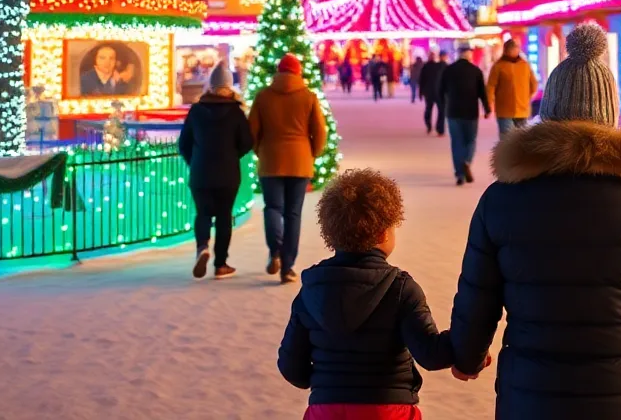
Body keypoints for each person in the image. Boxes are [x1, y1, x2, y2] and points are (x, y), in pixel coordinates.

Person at [447, 23, 621, 418]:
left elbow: (477, 296)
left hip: (532, 397)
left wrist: (467, 355)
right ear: (611, 114)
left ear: (549, 110)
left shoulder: (502, 200)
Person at [278, 169, 476, 418]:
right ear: (383, 232)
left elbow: (291, 368)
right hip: (388, 409)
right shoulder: (400, 288)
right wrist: (469, 345)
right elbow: (431, 354)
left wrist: (326, 381)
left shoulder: (311, 291)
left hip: (325, 410)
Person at [249, 53, 329, 284]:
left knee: (273, 207)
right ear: (298, 72)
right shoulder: (309, 97)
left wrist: (261, 150)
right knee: (293, 214)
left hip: (271, 160)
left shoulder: (263, 97)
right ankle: (287, 266)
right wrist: (311, 153)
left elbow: (252, 130)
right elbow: (320, 132)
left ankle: (275, 250)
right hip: (300, 161)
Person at [178, 62, 254, 279]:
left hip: (201, 172)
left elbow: (183, 143)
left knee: (202, 213)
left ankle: (202, 246)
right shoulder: (236, 112)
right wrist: (231, 156)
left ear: (210, 85)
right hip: (228, 174)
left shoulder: (197, 110)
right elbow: (247, 142)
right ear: (230, 86)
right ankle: (221, 264)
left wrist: (195, 161)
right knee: (223, 217)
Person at [438, 43, 490, 186]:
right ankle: (467, 161)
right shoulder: (476, 71)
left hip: (453, 112)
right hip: (471, 112)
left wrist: (443, 107)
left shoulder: (448, 70)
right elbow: (482, 93)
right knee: (470, 140)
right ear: (469, 54)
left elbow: (440, 90)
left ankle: (459, 173)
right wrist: (487, 109)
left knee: (456, 142)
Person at [486, 39, 538, 140]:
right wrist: (489, 103)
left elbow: (534, 83)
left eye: (516, 48)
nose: (514, 50)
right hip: (504, 110)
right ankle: (505, 156)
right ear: (506, 50)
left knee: (522, 140)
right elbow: (491, 86)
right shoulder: (498, 66)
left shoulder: (525, 65)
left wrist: (527, 97)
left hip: (522, 109)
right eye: (511, 48)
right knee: (506, 140)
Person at [420, 51, 447, 136]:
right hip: (436, 92)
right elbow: (421, 80)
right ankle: (437, 128)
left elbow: (421, 80)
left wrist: (421, 91)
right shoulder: (438, 66)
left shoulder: (431, 66)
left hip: (432, 92)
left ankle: (436, 128)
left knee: (433, 110)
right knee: (437, 110)